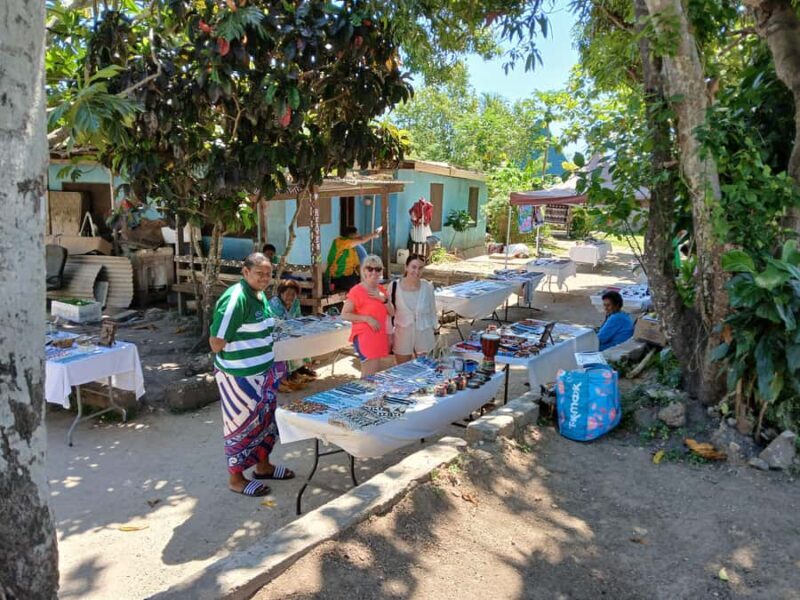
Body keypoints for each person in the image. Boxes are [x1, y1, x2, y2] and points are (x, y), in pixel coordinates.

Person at [209, 253, 295, 497]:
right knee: (240, 428)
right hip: (240, 378)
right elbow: (216, 342)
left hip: (262, 374)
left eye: (268, 274)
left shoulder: (259, 295)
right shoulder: (236, 299)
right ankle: (236, 479)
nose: (265, 278)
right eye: (259, 273)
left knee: (264, 424)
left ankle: (263, 467)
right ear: (245, 273)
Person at [340, 254, 395, 377]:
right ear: (364, 271)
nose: (374, 272)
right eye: (370, 269)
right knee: (369, 375)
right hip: (365, 336)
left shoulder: (381, 289)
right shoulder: (357, 291)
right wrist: (367, 319)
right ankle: (365, 396)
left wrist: (384, 300)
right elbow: (344, 314)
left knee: (375, 374)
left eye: (378, 269)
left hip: (379, 335)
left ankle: (370, 396)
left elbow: (392, 313)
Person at [269, 279, 317, 392]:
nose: (290, 297)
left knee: (304, 337)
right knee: (288, 341)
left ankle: (300, 368)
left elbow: (299, 316)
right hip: (276, 332)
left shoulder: (295, 302)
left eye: (293, 294)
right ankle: (289, 373)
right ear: (281, 293)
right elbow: (276, 322)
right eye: (287, 294)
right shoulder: (274, 303)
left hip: (292, 329)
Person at [389, 254, 438, 364]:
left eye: (420, 268)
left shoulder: (427, 287)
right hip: (402, 335)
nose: (417, 271)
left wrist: (436, 330)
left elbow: (432, 311)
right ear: (406, 267)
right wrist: (388, 335)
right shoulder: (394, 286)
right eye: (413, 267)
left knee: (425, 369)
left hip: (424, 334)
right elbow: (388, 313)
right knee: (403, 370)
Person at [326, 225, 383, 291]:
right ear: (351, 235)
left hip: (349, 275)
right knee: (357, 287)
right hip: (338, 276)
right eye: (357, 234)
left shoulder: (353, 248)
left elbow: (357, 265)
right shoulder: (340, 242)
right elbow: (362, 239)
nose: (359, 235)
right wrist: (374, 234)